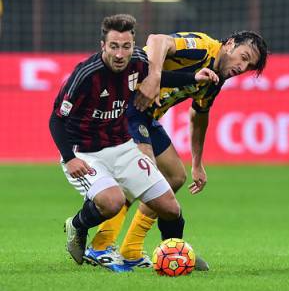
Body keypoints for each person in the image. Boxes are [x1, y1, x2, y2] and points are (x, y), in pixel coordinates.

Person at [84, 30, 269, 270]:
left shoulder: (216, 80)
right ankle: (100, 245)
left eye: (249, 65)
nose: (242, 67)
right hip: (125, 106)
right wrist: (154, 77)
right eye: (243, 57)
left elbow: (199, 116)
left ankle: (131, 249)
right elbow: (156, 40)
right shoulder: (203, 47)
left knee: (175, 176)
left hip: (147, 118)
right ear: (230, 44)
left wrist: (197, 162)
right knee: (142, 174)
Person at [49, 14, 219, 272]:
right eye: (114, 46)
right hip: (85, 153)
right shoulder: (86, 75)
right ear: (103, 45)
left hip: (122, 147)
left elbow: (160, 78)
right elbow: (56, 119)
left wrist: (194, 77)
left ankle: (174, 255)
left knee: (171, 208)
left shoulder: (138, 61)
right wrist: (69, 158)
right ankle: (79, 225)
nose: (120, 54)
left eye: (126, 46)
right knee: (112, 201)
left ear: (133, 45)